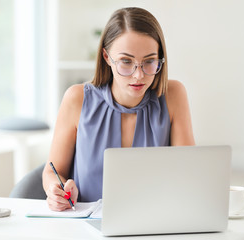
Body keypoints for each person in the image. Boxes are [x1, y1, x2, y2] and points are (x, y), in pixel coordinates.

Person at [42, 7, 195, 211]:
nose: (138, 75)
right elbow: (53, 171)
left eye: (149, 61)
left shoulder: (173, 95)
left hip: (155, 220)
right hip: (86, 225)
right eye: (126, 61)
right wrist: (57, 189)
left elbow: (189, 173)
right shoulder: (77, 99)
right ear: (106, 57)